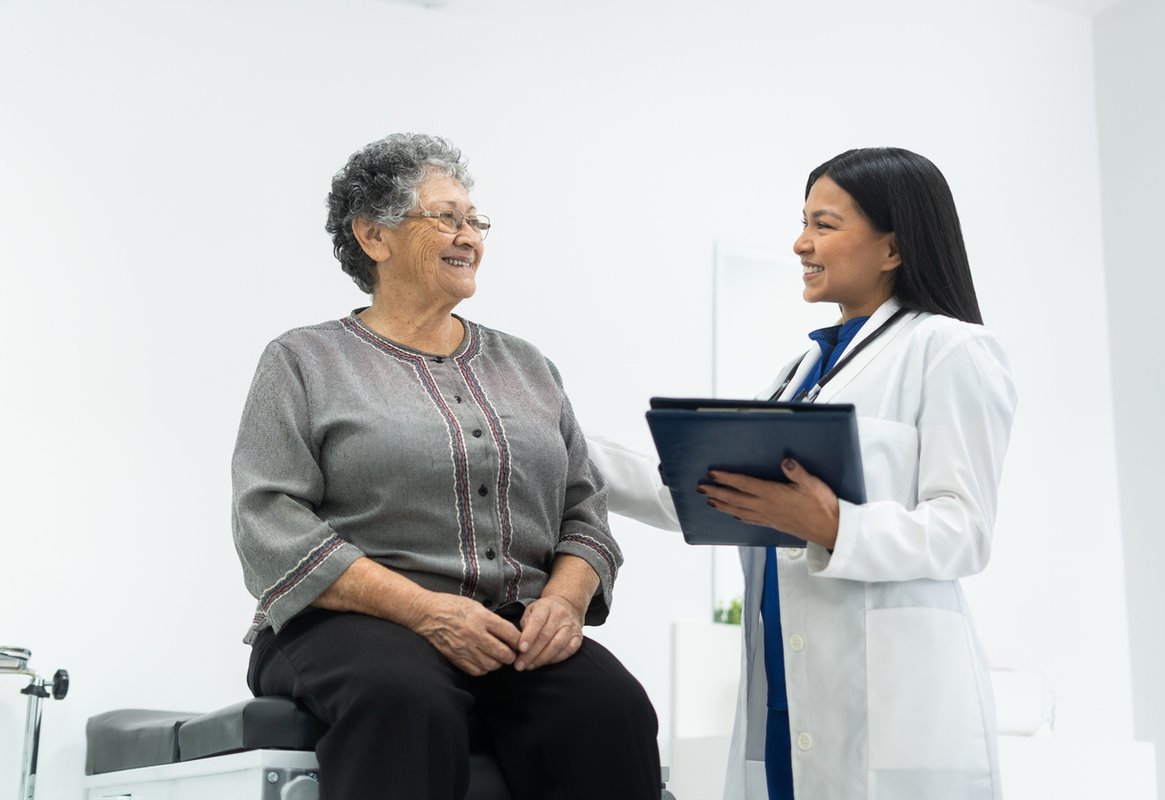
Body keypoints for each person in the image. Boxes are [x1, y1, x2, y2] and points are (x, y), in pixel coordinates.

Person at [231, 133, 661, 800]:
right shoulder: (303, 362)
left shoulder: (527, 366)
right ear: (375, 237)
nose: (469, 236)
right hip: (346, 626)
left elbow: (585, 511)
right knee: (407, 699)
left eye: (475, 221)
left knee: (612, 709)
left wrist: (565, 600)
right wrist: (425, 610)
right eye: (447, 218)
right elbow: (269, 521)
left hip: (509, 627)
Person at [590, 147, 1016, 800]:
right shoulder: (800, 372)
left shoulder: (950, 349)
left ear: (893, 248)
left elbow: (964, 528)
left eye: (823, 224)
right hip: (790, 688)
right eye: (804, 222)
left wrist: (834, 524)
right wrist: (557, 437)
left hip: (888, 701)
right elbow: (704, 494)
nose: (800, 243)